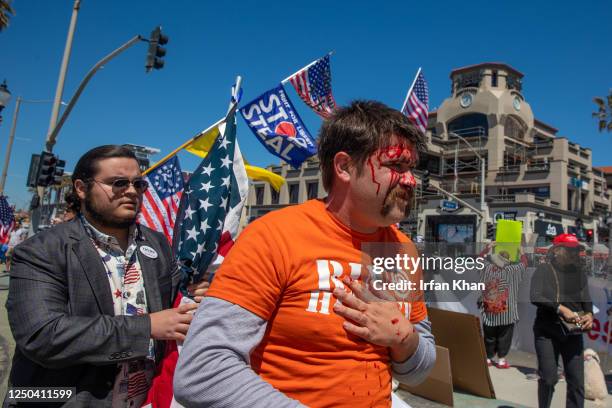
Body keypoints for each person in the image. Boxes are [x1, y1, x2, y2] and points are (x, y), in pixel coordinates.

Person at [174, 101, 436, 407]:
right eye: (395, 167)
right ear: (344, 167)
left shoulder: (404, 250)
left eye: (411, 169)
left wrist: (403, 338)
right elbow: (202, 372)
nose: (410, 180)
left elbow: (420, 371)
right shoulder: (274, 236)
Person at [5, 145, 207, 407]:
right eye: (118, 183)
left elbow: (173, 304)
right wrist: (147, 327)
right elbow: (43, 336)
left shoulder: (157, 244)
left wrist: (193, 293)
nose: (132, 191)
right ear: (81, 188)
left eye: (138, 183)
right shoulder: (41, 250)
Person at [530, 233, 593, 408]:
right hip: (547, 331)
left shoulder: (579, 273)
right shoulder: (544, 270)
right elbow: (535, 296)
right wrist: (560, 308)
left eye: (576, 250)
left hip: (572, 332)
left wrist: (589, 314)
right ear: (557, 250)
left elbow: (586, 299)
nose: (575, 254)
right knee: (549, 378)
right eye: (570, 250)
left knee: (577, 381)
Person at [478, 242, 527, 368]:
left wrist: (487, 249)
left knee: (489, 335)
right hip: (507, 311)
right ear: (508, 261)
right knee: (504, 336)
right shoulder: (512, 270)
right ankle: (501, 360)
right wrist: (522, 253)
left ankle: (488, 358)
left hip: (489, 309)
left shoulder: (487, 268)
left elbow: (479, 260)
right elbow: (524, 264)